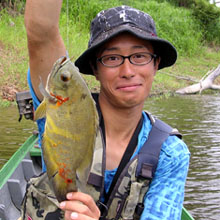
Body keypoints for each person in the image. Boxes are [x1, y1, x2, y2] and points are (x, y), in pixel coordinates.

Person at [24, 1, 190, 220]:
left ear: (155, 64)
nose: (128, 71)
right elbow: (41, 30)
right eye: (112, 58)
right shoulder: (64, 104)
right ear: (95, 68)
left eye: (139, 56)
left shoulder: (171, 153)